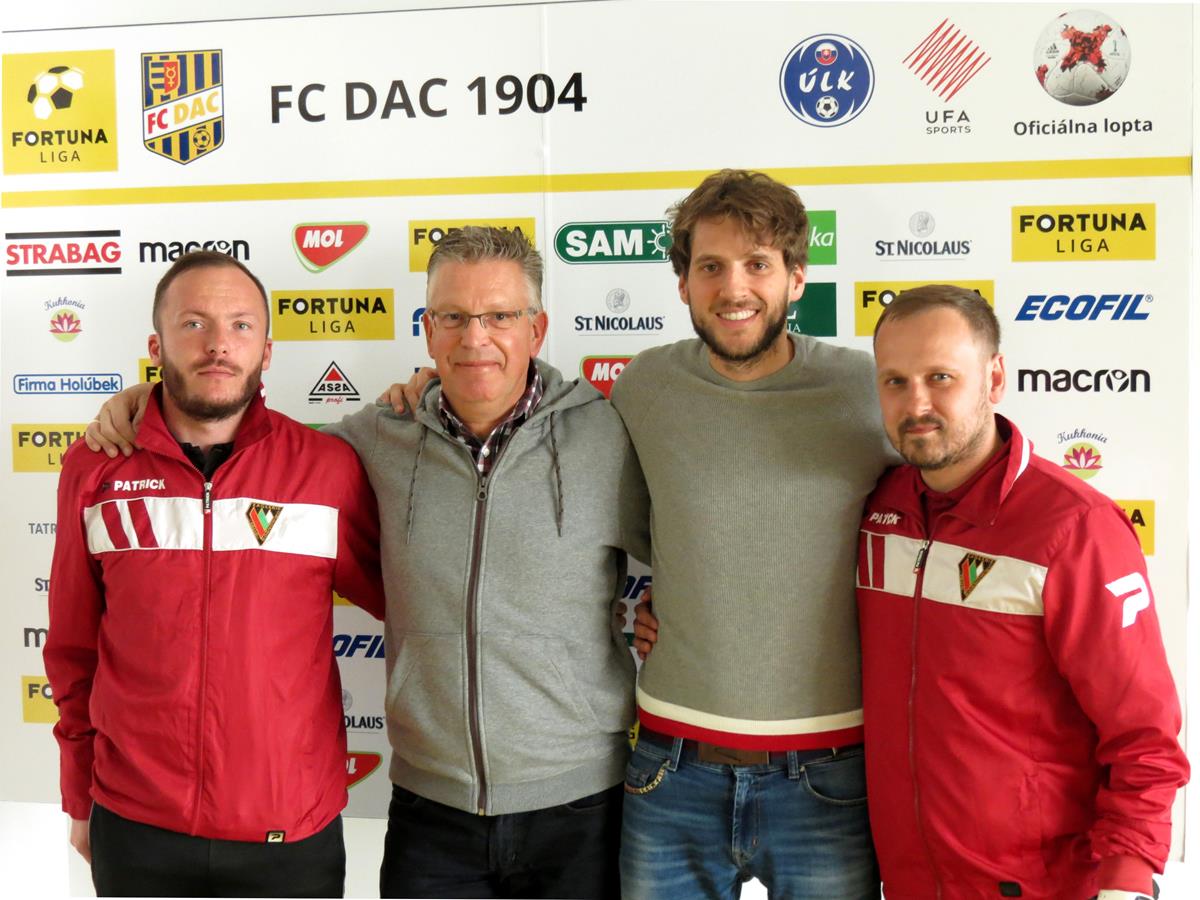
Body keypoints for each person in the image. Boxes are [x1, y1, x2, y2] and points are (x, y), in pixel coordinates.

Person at [86, 228, 650, 899]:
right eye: (453, 316)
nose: (475, 338)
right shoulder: (375, 439)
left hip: (583, 803)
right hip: (431, 808)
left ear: (538, 328)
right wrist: (147, 406)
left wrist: (668, 615)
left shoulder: (609, 435)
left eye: (500, 315)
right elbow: (249, 450)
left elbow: (693, 552)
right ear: (428, 330)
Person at [45, 251, 385, 897]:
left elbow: (414, 600)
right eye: (194, 323)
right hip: (136, 821)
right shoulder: (96, 468)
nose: (219, 345)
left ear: (267, 350)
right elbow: (72, 646)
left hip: (290, 825)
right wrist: (78, 792)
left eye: (240, 325)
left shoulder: (326, 468)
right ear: (156, 346)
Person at [610, 169, 893, 899]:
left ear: (797, 278)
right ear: (682, 283)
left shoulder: (867, 391)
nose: (733, 288)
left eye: (757, 264)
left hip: (830, 773)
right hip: (670, 766)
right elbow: (632, 529)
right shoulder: (644, 386)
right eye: (711, 266)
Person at [859, 285, 1188, 900]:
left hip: (1038, 886)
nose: (917, 403)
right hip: (904, 881)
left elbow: (1144, 734)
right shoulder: (877, 505)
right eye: (895, 381)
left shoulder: (1075, 527)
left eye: (941, 377)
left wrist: (1127, 879)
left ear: (994, 378)